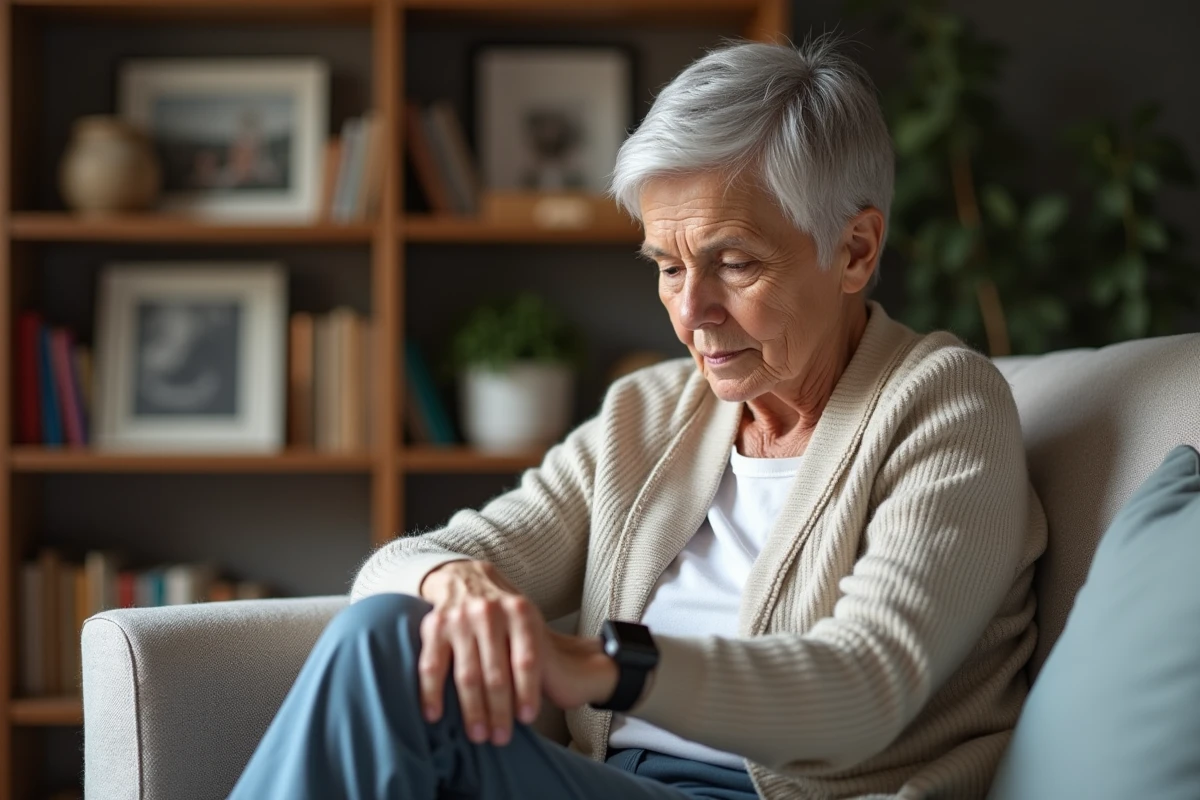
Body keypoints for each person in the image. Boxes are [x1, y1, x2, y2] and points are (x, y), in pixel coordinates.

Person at [229, 36, 1046, 800]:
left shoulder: (944, 406)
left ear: (857, 250)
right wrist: (457, 579)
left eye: (734, 263)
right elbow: (397, 566)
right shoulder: (648, 414)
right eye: (667, 266)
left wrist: (606, 666)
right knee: (384, 636)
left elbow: (863, 688)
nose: (693, 312)